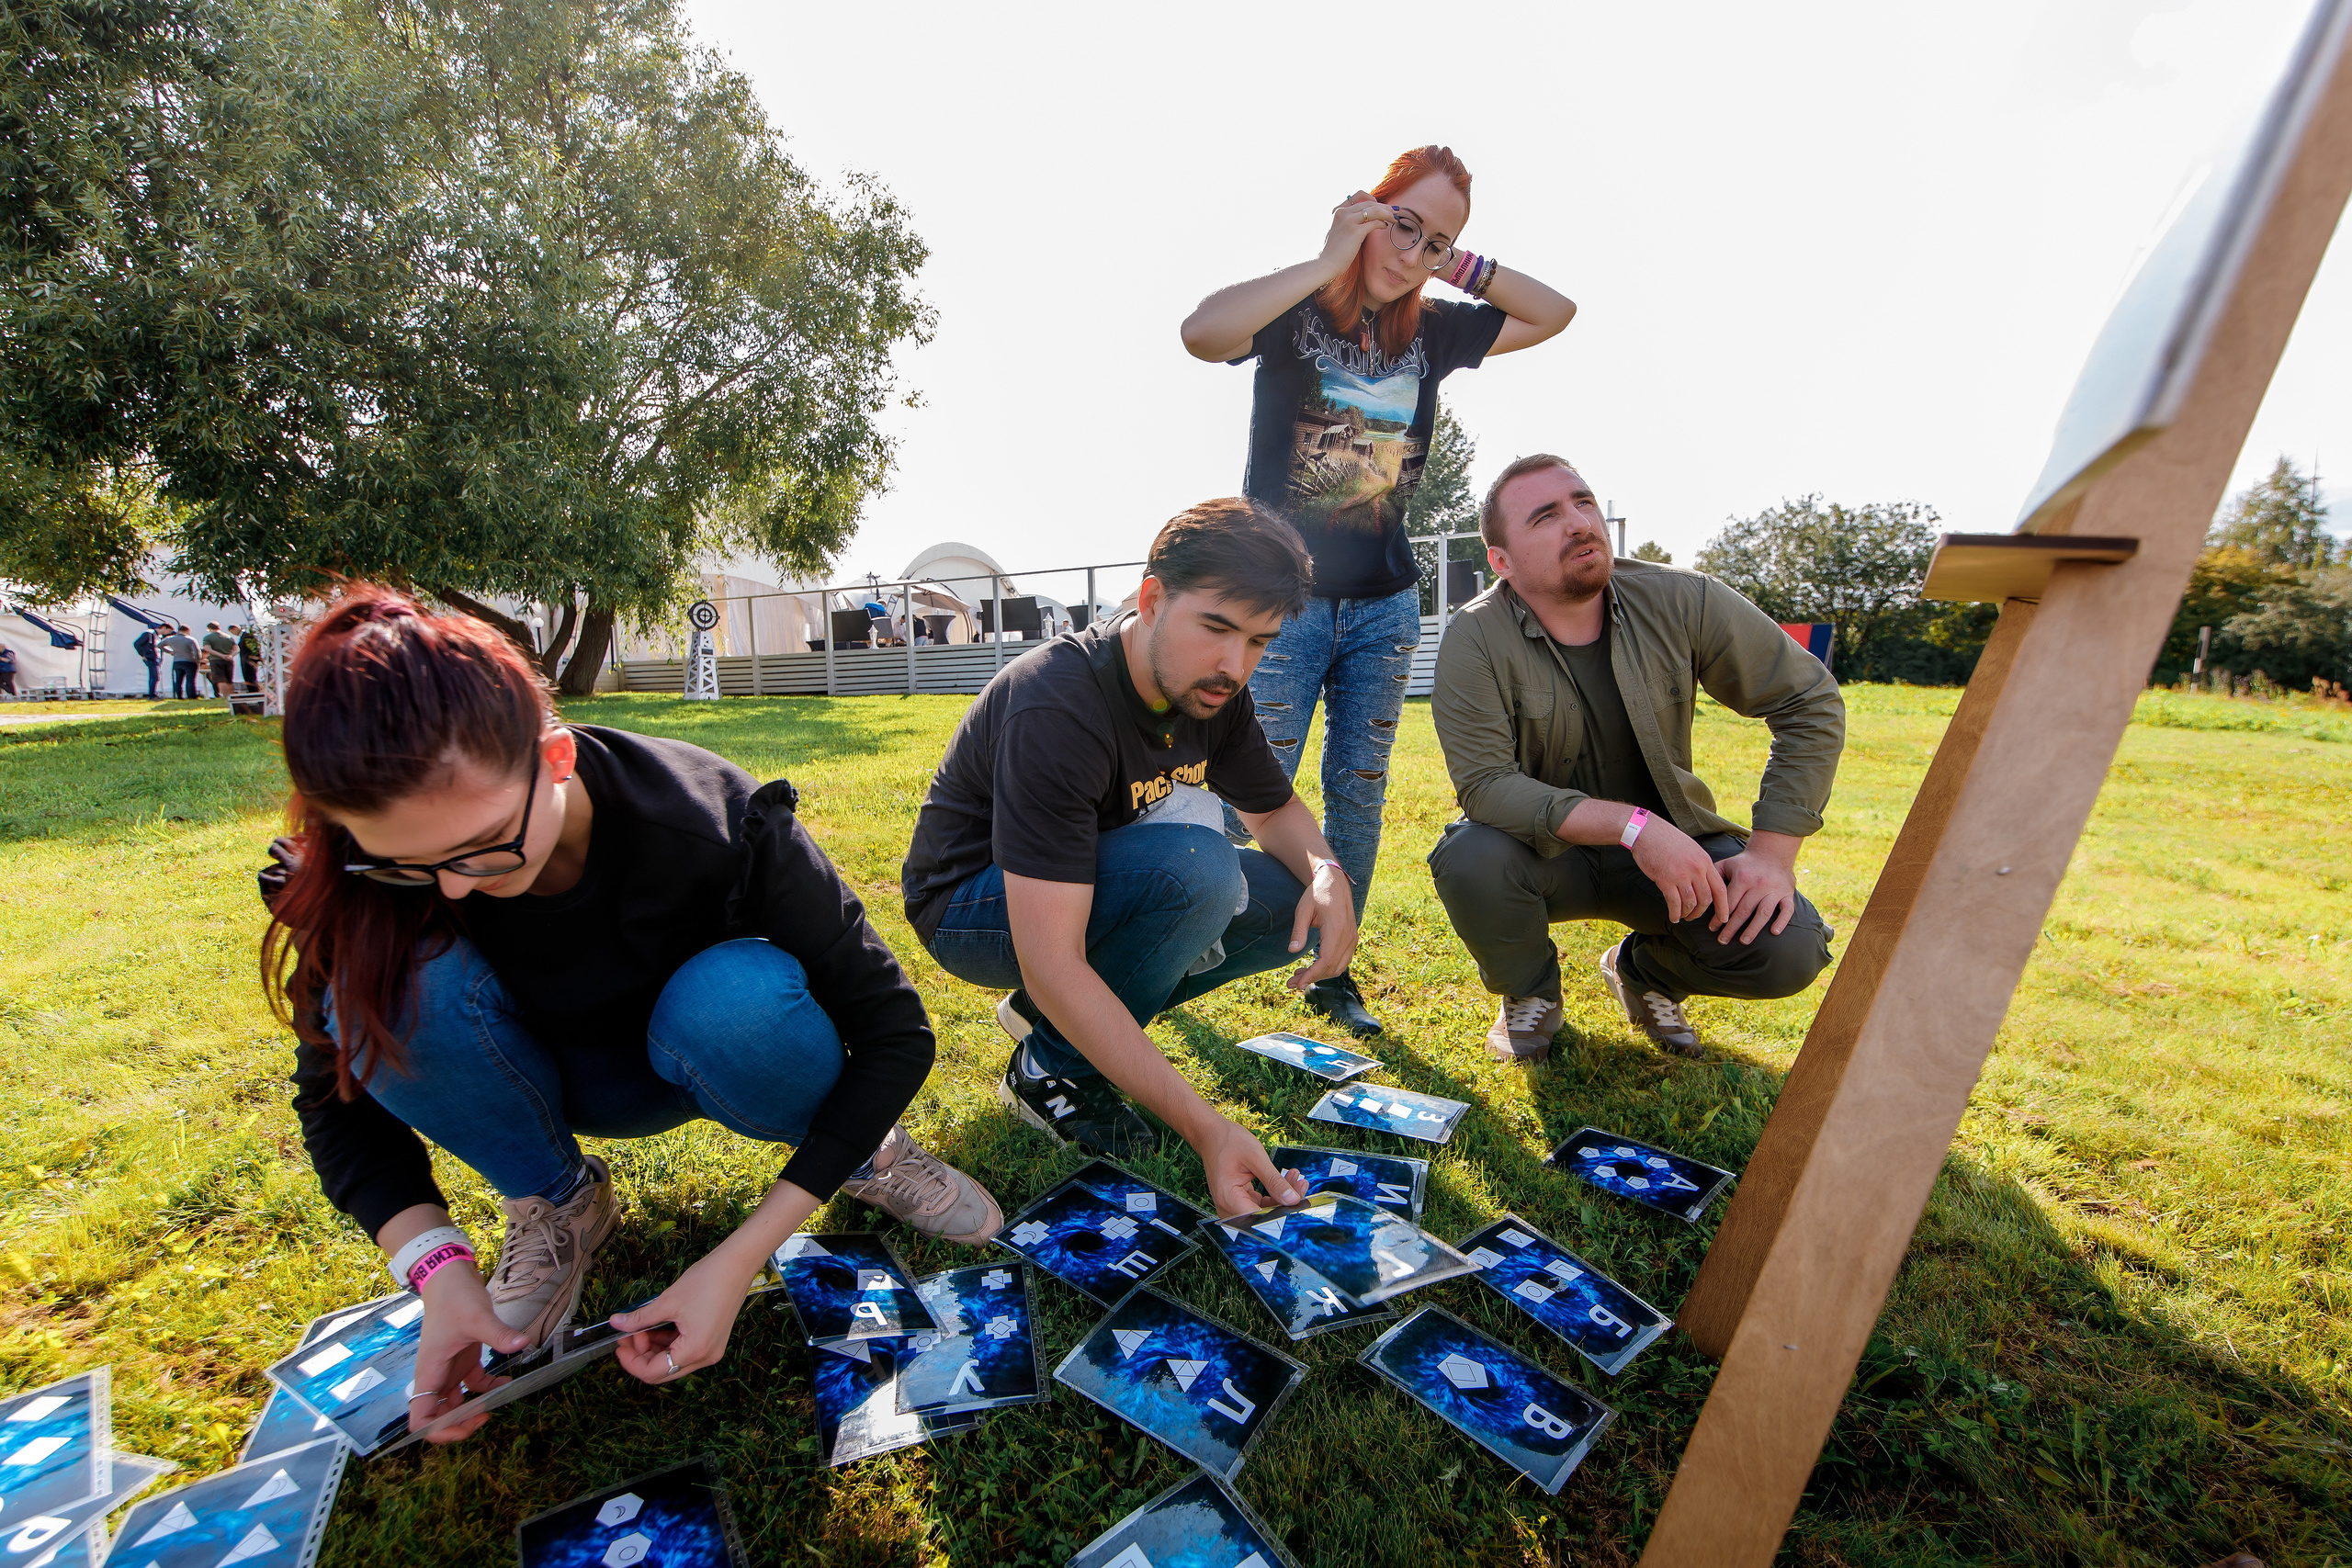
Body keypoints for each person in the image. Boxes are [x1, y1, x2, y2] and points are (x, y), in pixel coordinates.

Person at [257, 585, 1001, 1444]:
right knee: (390, 982)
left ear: (558, 759)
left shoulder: (716, 818)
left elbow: (894, 1032)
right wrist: (436, 1269)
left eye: (484, 846)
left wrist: (741, 1254)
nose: (453, 888)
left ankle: (861, 1149)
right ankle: (559, 1202)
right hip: (539, 1072)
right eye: (408, 866)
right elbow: (333, 1092)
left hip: (709, 1048)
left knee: (738, 998)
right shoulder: (354, 874)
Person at [1179, 144, 1577, 1039]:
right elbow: (1200, 334)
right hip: (1280, 604)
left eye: (1434, 242)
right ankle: (1173, 939)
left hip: (1384, 607)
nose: (1410, 252)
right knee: (1252, 786)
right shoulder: (1295, 312)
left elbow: (1554, 313)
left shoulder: (1432, 331)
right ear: (1369, 208)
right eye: (1404, 223)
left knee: (1357, 793)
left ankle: (1333, 971)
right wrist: (1329, 259)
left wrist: (1456, 261)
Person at [902, 499, 1354, 1217]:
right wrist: (1208, 1129)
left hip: (1081, 884)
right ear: (1152, 599)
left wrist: (1332, 880)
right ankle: (1052, 1067)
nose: (1236, 665)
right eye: (1217, 627)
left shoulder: (1214, 692)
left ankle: (1052, 1018)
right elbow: (1052, 954)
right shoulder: (1057, 700)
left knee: (1275, 902)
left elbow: (1273, 811)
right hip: (969, 905)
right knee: (1202, 872)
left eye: (1261, 641)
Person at [1428, 456, 1845, 1062]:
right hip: (1542, 853)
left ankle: (1644, 971)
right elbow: (1487, 785)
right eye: (1546, 516)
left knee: (1791, 945)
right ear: (1503, 562)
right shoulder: (1474, 635)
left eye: (1583, 502)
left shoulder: (1682, 598)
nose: (1578, 523)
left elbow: (1808, 698)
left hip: (1671, 857)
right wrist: (1633, 827)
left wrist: (1771, 856)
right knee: (1468, 858)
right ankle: (1529, 993)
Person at [162, 625, 200, 700]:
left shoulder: (170, 639)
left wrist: (170, 652)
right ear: (187, 631)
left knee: (178, 680)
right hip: (190, 661)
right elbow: (197, 652)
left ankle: (179, 696)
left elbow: (159, 645)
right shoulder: (191, 640)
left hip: (177, 661)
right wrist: (198, 661)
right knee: (190, 680)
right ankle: (191, 696)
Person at [200, 622, 236, 696]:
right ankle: (232, 696)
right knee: (229, 680)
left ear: (209, 629)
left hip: (216, 660)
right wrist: (230, 655)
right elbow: (236, 649)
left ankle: (226, 696)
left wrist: (221, 655)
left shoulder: (208, 638)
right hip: (229, 660)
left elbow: (207, 649)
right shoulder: (228, 637)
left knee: (220, 680)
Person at [132, 626, 161, 698]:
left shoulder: (155, 636)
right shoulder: (149, 634)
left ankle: (152, 694)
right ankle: (152, 695)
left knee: (154, 676)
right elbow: (137, 644)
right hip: (150, 658)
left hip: (153, 658)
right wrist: (142, 654)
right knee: (154, 676)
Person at [235, 624, 261, 689]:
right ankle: (252, 689)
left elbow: (252, 648)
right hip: (246, 659)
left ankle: (254, 690)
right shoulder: (243, 636)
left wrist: (254, 658)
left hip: (249, 659)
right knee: (248, 676)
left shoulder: (247, 636)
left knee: (250, 676)